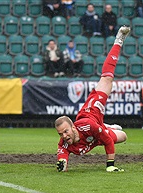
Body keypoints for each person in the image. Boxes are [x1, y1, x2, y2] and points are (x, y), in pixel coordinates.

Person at [55, 26, 130, 172]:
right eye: (60, 134)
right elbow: (62, 155)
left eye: (65, 132)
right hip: (96, 132)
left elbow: (107, 141)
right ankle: (106, 127)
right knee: (123, 136)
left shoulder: (87, 125)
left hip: (93, 111)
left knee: (107, 77)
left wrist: (110, 166)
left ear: (73, 127)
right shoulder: (65, 143)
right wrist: (62, 164)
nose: (64, 136)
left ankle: (118, 40)